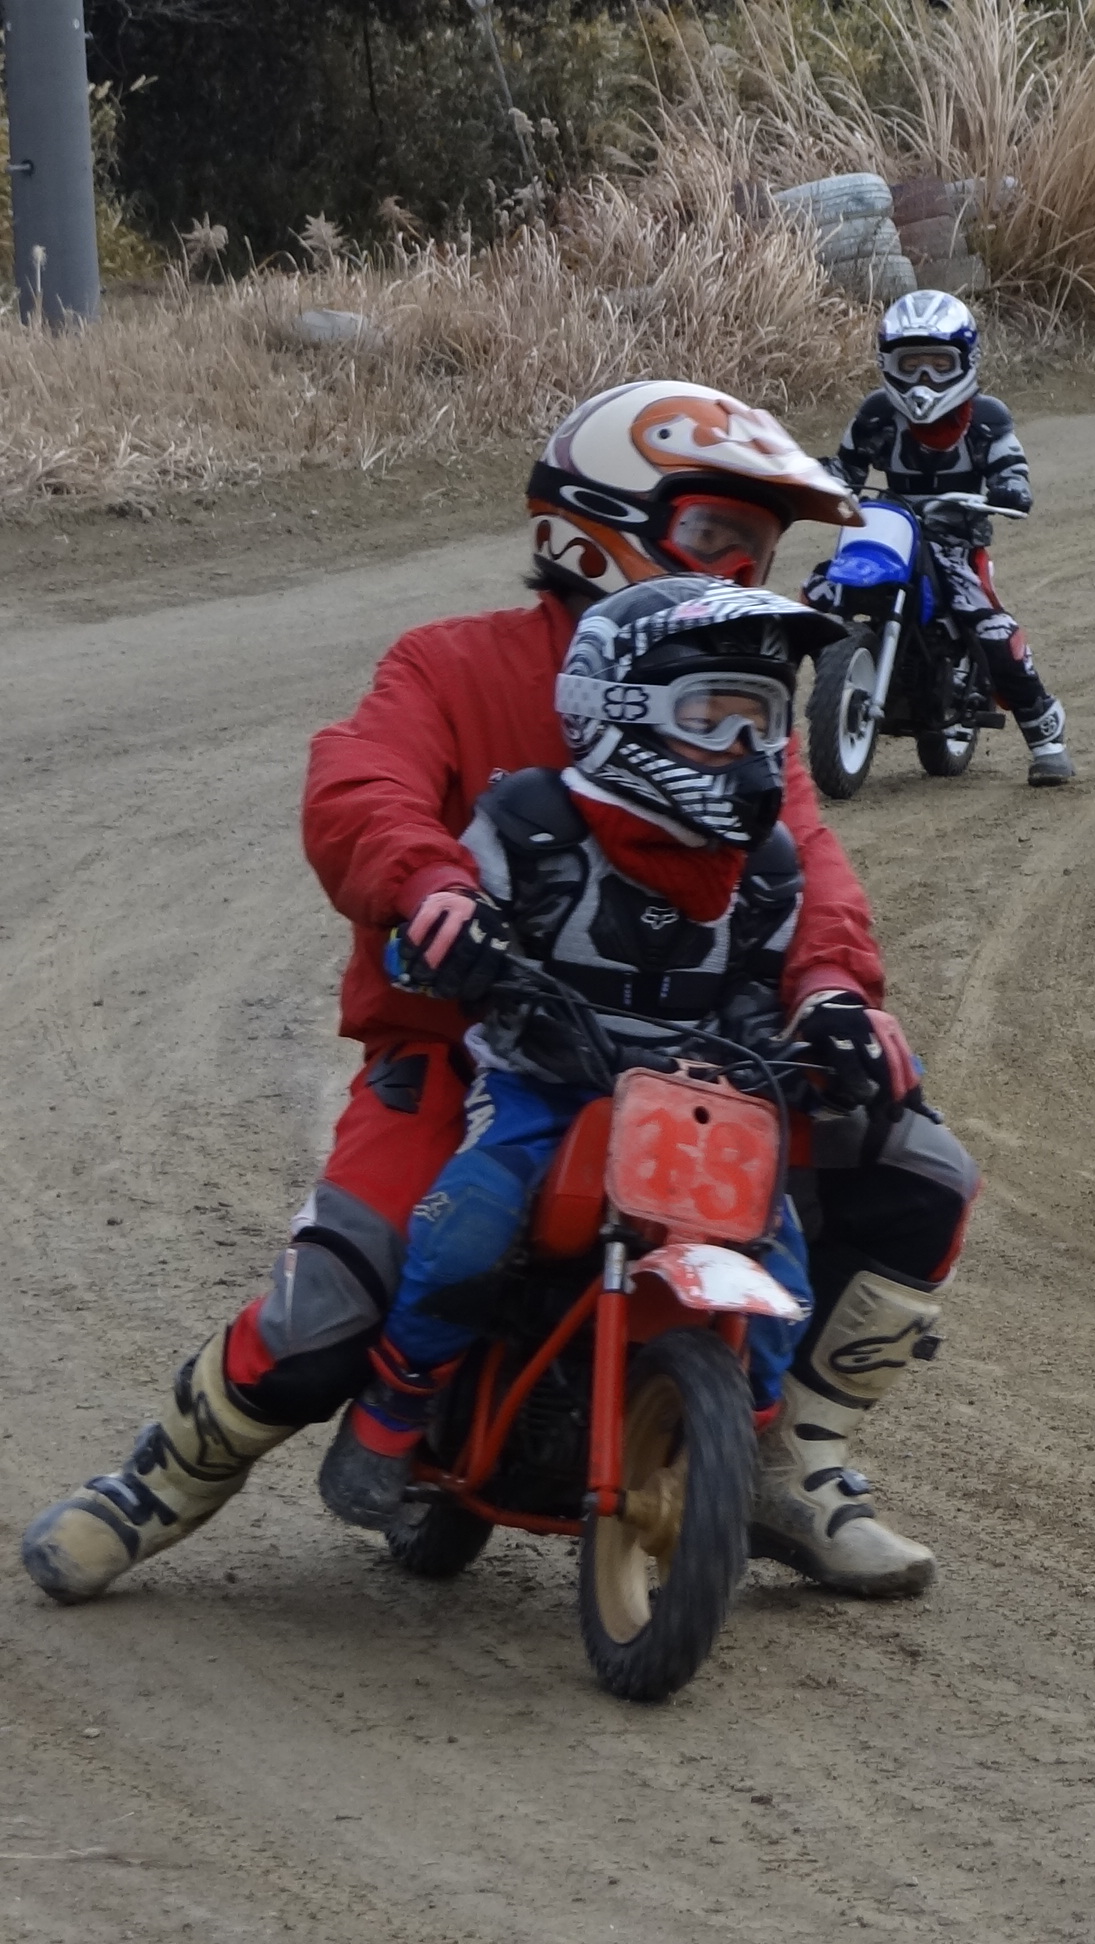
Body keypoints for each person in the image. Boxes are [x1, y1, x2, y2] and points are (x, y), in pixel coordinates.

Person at [23, 381, 978, 1606]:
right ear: (595, 523)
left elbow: (810, 863)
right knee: (342, 1295)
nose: (742, 569)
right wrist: (431, 887)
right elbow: (358, 787)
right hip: (474, 1049)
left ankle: (788, 1459)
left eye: (758, 547)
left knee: (918, 1168)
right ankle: (160, 1480)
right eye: (714, 535)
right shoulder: (452, 664)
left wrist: (835, 989)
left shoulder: (741, 705)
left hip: (692, 1053)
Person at [314, 576, 849, 1528]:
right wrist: (448, 940)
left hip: (699, 1104)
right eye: (710, 718)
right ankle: (396, 1409)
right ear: (616, 710)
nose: (742, 748)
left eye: (760, 721)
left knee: (785, 1276)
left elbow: (756, 983)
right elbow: (445, 927)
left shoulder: (766, 865)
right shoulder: (531, 824)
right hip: (545, 1082)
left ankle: (746, 1452)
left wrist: (808, 1035)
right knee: (469, 1223)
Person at [824, 289, 1073, 786]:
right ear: (887, 363)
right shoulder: (877, 415)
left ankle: (1046, 735)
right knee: (813, 601)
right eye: (911, 364)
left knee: (991, 630)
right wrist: (811, 479)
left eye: (939, 365)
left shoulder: (986, 419)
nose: (924, 379)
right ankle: (770, 720)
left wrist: (1010, 487)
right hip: (889, 534)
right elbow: (845, 470)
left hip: (955, 544)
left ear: (966, 362)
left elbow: (1010, 468)